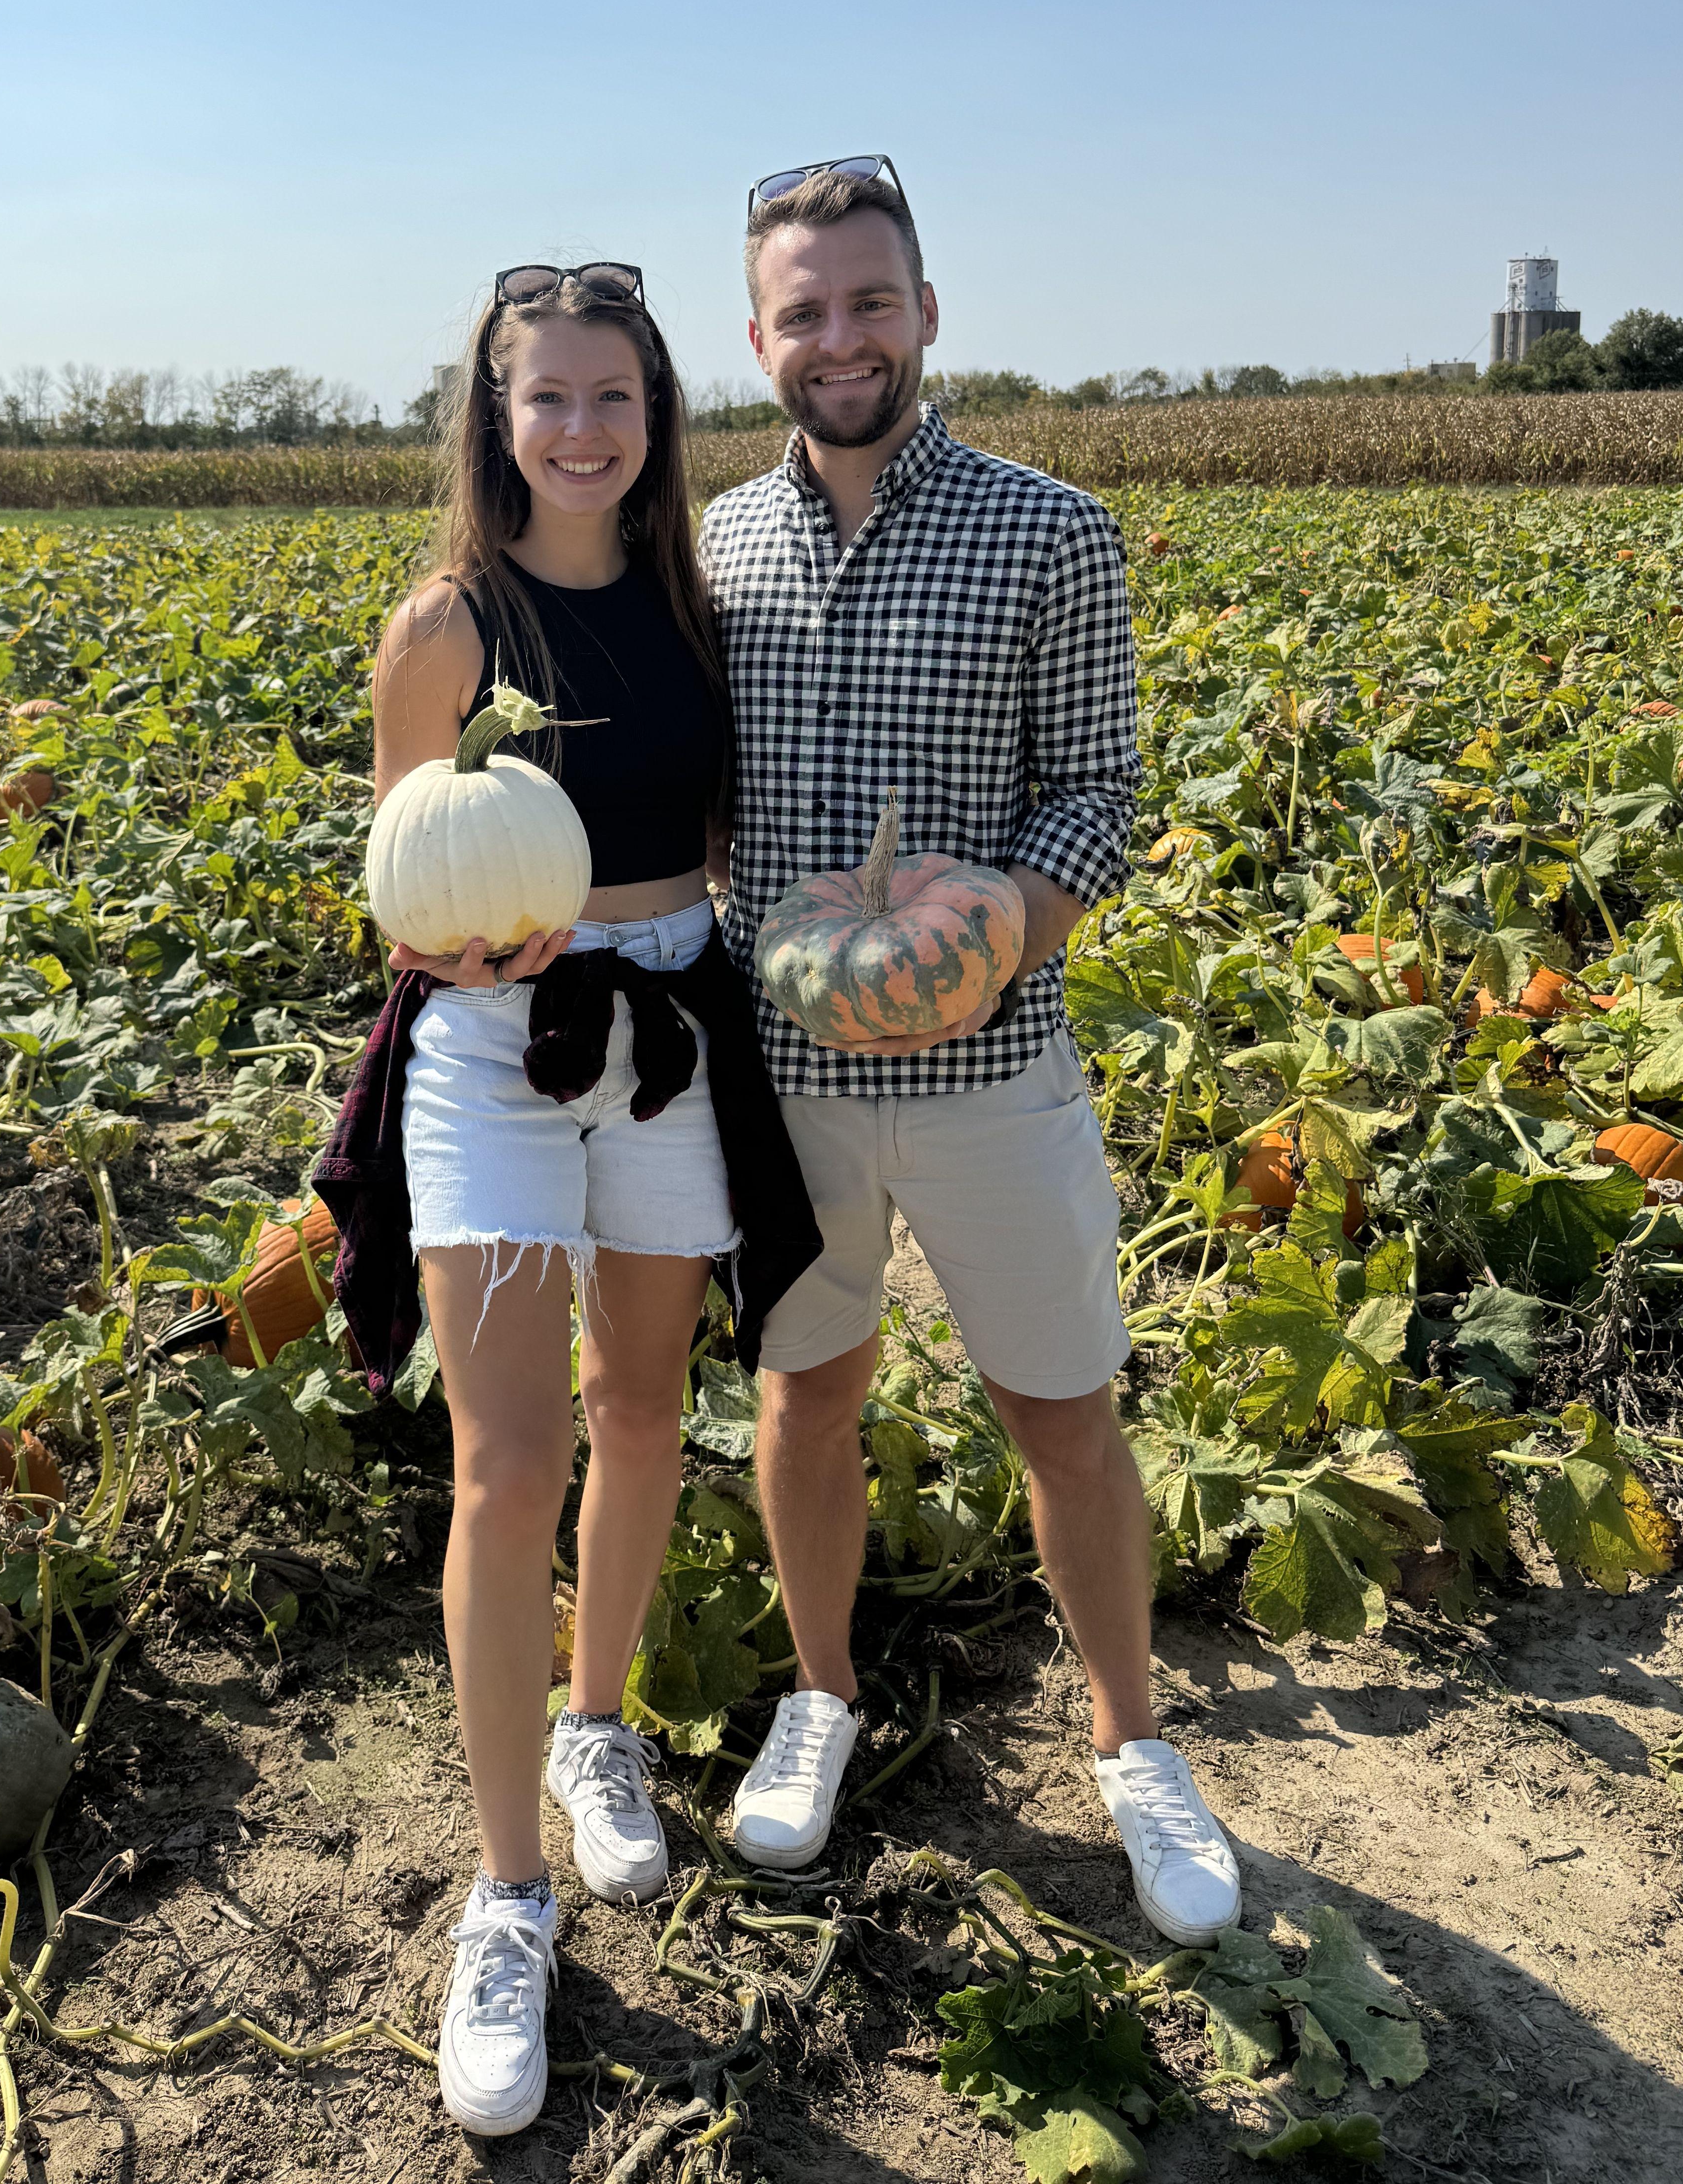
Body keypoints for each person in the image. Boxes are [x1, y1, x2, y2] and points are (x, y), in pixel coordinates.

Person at [696, 157, 1243, 1948]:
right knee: (809, 1392)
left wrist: (994, 924)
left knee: (1061, 1413)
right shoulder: (715, 543)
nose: (838, 337)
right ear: (759, 336)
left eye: (871, 301)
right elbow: (699, 811)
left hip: (994, 1063)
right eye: (805, 310)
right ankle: (825, 1698)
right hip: (785, 1078)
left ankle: (1134, 1742)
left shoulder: (1050, 529)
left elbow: (1102, 790)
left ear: (927, 312)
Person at [310, 260, 822, 2139]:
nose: (586, 429)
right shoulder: (449, 621)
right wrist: (469, 938)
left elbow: (716, 830)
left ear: (658, 413)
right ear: (497, 417)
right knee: (504, 1464)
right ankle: (508, 1889)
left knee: (637, 1411)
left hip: (672, 1026)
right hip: (498, 1052)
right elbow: (396, 871)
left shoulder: (697, 602)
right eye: (551, 400)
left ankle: (600, 1727)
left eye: (618, 396)